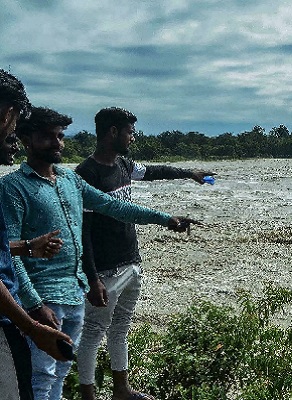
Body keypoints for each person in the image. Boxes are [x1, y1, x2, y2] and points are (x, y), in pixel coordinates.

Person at [0, 106, 198, 400]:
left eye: (60, 136)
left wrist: (165, 218)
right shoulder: (13, 187)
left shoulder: (70, 180)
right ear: (26, 139)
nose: (57, 144)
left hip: (74, 294)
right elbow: (7, 255)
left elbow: (116, 207)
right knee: (40, 379)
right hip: (43, 300)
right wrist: (33, 304)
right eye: (48, 137)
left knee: (60, 375)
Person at [75, 107, 214, 400]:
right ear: (113, 132)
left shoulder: (124, 165)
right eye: (130, 132)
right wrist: (92, 277)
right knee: (93, 331)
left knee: (121, 327)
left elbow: (153, 172)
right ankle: (87, 395)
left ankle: (121, 389)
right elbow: (82, 231)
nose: (133, 138)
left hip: (130, 260)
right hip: (105, 268)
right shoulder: (87, 173)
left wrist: (190, 174)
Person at [0, 69, 72, 400]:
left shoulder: (68, 180)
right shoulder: (13, 187)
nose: (13, 136)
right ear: (7, 115)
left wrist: (27, 247)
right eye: (15, 128)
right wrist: (31, 325)